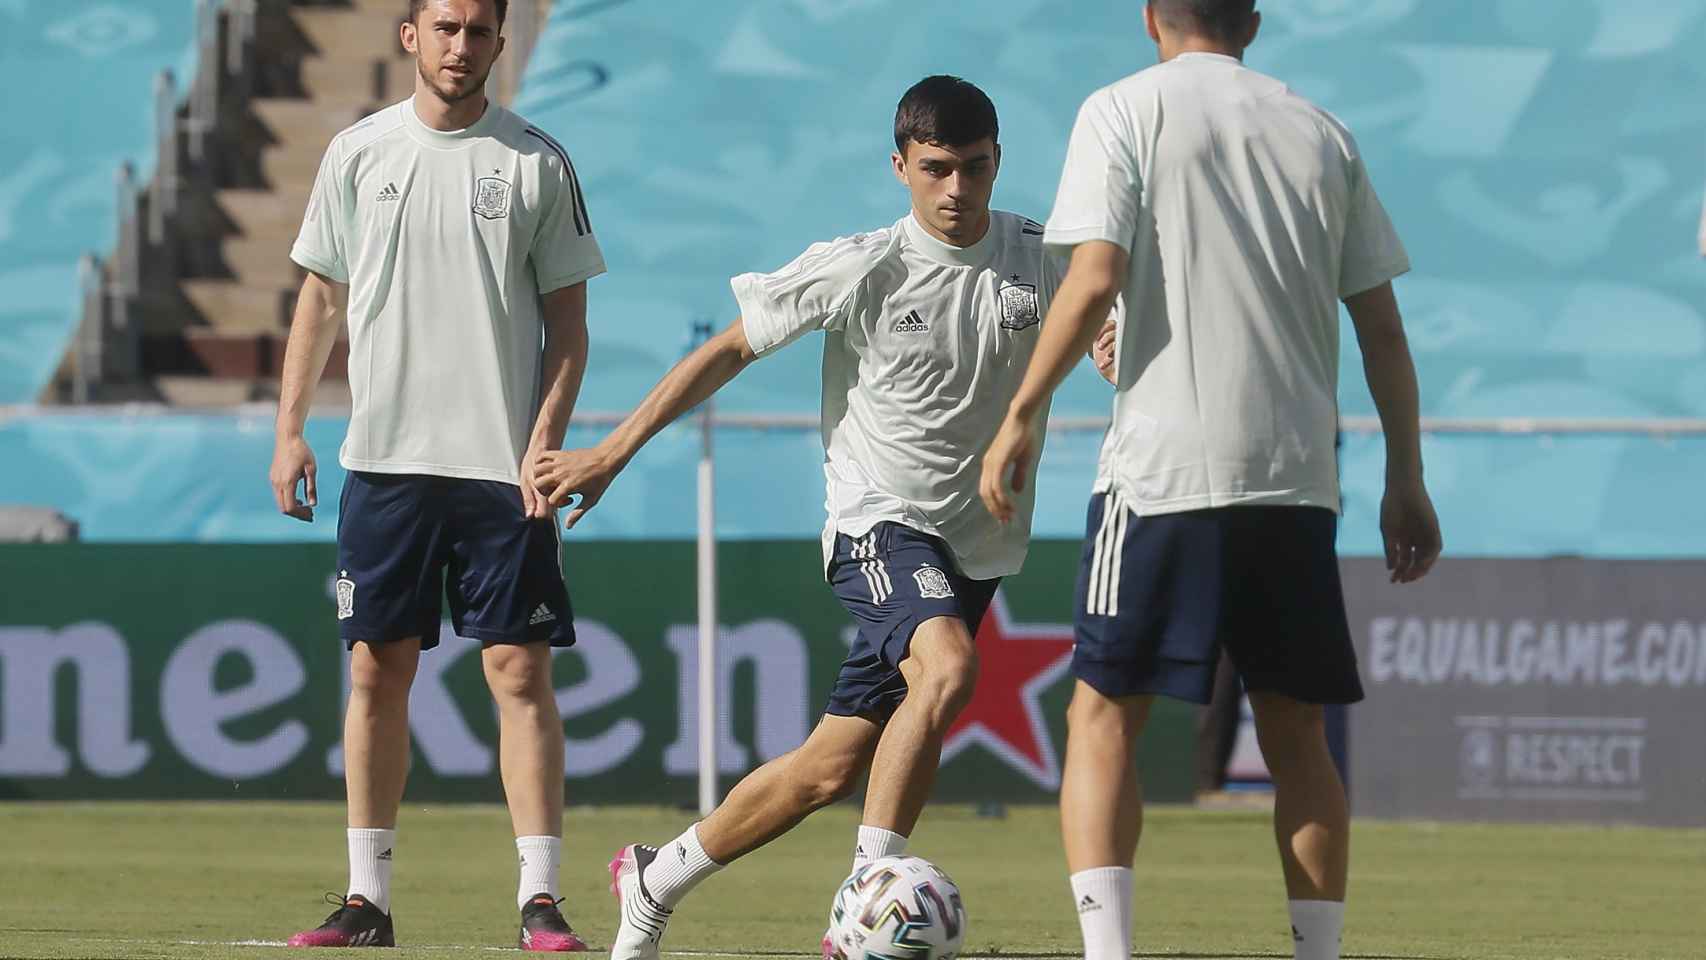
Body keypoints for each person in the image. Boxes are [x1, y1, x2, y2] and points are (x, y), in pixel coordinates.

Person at [531, 76, 1060, 960]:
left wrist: (1118, 341)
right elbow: (730, 347)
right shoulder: (865, 264)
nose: (957, 190)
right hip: (878, 522)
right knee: (950, 669)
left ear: (998, 160)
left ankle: (654, 881)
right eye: (936, 170)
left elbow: (1116, 316)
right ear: (900, 167)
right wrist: (612, 451)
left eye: (974, 168)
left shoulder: (1043, 255)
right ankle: (866, 905)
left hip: (975, 544)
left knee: (829, 768)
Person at [979, 3, 1443, 960]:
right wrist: (1407, 477)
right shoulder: (1321, 131)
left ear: (1151, 15)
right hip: (1296, 482)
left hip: (1161, 476)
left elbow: (1096, 273)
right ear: (1257, 21)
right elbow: (1384, 329)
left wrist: (1022, 410)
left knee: (1102, 713)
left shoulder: (1121, 108)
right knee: (1297, 735)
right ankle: (1319, 953)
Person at [266, 0, 604, 949]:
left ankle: (540, 897)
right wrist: (289, 430)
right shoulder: (358, 153)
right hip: (385, 465)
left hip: (503, 471)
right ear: (411, 35)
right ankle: (366, 898)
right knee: (377, 671)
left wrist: (545, 443)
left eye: (479, 31)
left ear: (501, 41)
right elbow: (321, 297)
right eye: (444, 28)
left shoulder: (537, 161)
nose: (462, 47)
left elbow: (568, 327)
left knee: (519, 671)